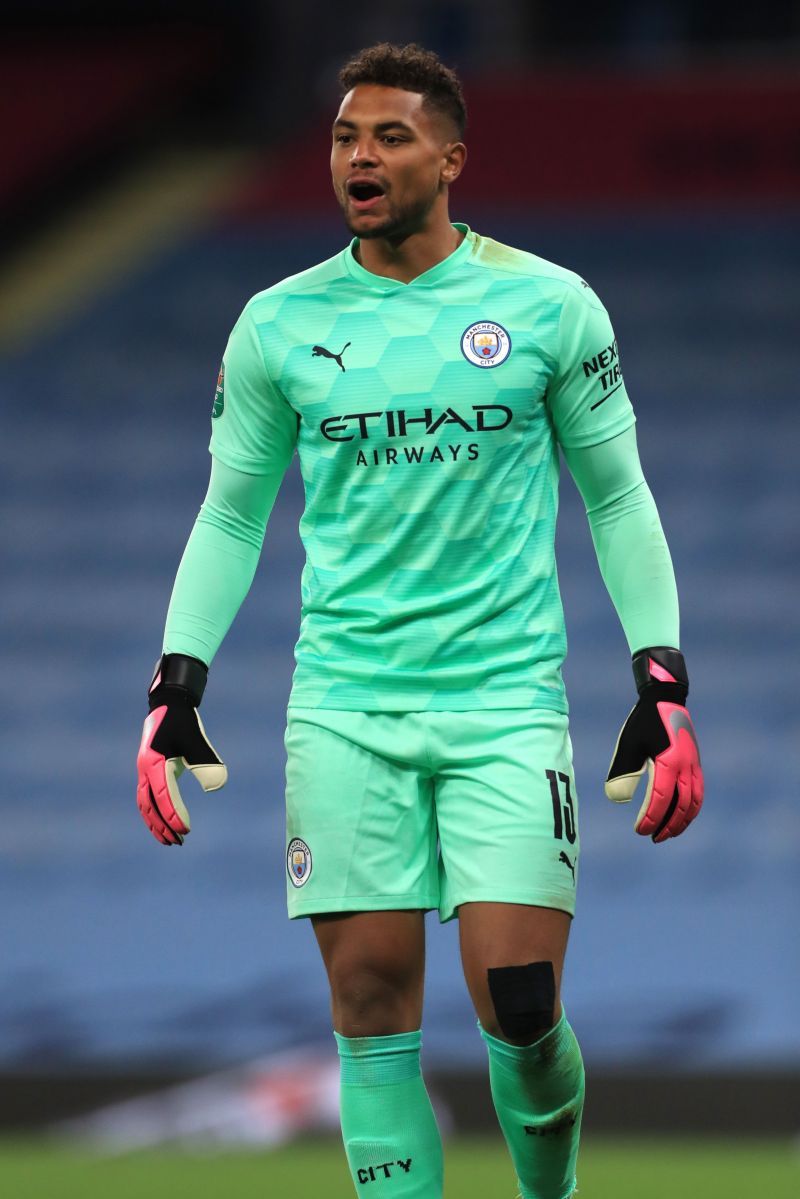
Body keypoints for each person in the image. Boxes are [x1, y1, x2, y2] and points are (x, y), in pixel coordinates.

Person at [136, 42, 703, 1199]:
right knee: (370, 1001)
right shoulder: (276, 325)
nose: (361, 155)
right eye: (347, 136)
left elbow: (616, 494)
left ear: (450, 158)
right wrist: (173, 685)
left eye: (389, 136)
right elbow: (230, 517)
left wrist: (660, 680)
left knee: (522, 1006)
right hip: (344, 705)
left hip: (502, 702)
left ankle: (549, 1191)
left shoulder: (547, 304)